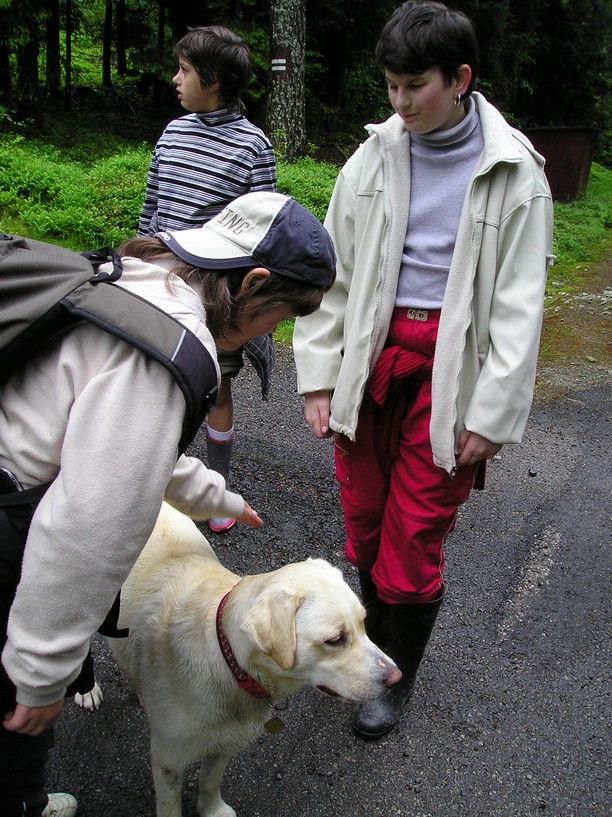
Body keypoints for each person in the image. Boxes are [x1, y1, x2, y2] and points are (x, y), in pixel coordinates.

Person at [0, 191, 336, 817]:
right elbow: (88, 528)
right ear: (254, 282)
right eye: (281, 316)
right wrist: (42, 672)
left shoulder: (138, 280)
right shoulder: (170, 350)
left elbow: (125, 445)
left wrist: (215, 496)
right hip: (9, 516)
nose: (272, 333)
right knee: (13, 721)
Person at [293, 0, 554, 740]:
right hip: (371, 361)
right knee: (364, 520)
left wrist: (491, 416)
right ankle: (369, 651)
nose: (401, 103)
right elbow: (333, 275)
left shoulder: (515, 173)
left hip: (451, 375)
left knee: (414, 534)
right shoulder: (372, 157)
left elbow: (518, 309)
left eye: (416, 87)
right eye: (392, 87)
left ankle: (393, 678)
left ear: (460, 78)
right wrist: (319, 376)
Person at [139, 25, 278, 534]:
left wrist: (247, 299)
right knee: (155, 382)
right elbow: (151, 209)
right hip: (159, 280)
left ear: (213, 80)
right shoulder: (173, 132)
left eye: (185, 70)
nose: (176, 79)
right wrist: (136, 263)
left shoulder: (253, 146)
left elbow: (262, 227)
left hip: (215, 295)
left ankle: (217, 491)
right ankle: (156, 484)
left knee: (215, 389)